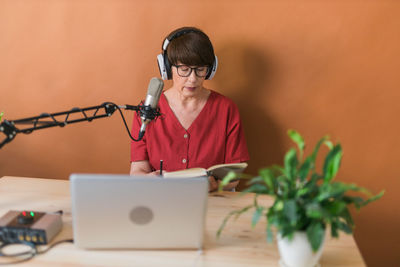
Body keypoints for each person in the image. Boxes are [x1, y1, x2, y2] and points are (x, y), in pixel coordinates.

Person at [130, 26, 249, 192]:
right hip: (161, 200)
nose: (193, 79)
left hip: (212, 204)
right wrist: (147, 180)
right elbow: (137, 171)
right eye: (184, 69)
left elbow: (234, 177)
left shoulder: (226, 109)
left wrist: (216, 185)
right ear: (167, 68)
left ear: (210, 69)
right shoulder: (146, 110)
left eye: (200, 70)